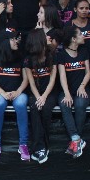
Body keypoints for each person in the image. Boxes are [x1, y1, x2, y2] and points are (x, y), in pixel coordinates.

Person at [0, 33, 30, 162]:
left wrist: (18, 92)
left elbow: (26, 79)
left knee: (21, 103)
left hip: (18, 92)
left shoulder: (21, 56)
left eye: (16, 39)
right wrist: (3, 93)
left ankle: (23, 144)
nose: (16, 41)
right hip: (0, 92)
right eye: (12, 39)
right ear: (4, 42)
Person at [56, 24, 90, 158]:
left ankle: (76, 140)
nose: (83, 35)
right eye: (80, 34)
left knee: (80, 104)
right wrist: (67, 93)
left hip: (83, 88)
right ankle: (76, 139)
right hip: (67, 89)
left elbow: (88, 72)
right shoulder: (61, 55)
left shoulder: (84, 51)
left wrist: (82, 86)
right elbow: (62, 75)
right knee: (64, 103)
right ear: (73, 39)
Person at [23, 28, 58, 164]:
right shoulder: (28, 59)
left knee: (46, 109)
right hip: (35, 92)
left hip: (49, 92)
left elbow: (52, 79)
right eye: (45, 36)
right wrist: (38, 97)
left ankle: (44, 146)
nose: (48, 37)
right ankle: (40, 147)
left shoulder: (52, 54)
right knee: (35, 108)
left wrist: (44, 97)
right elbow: (31, 82)